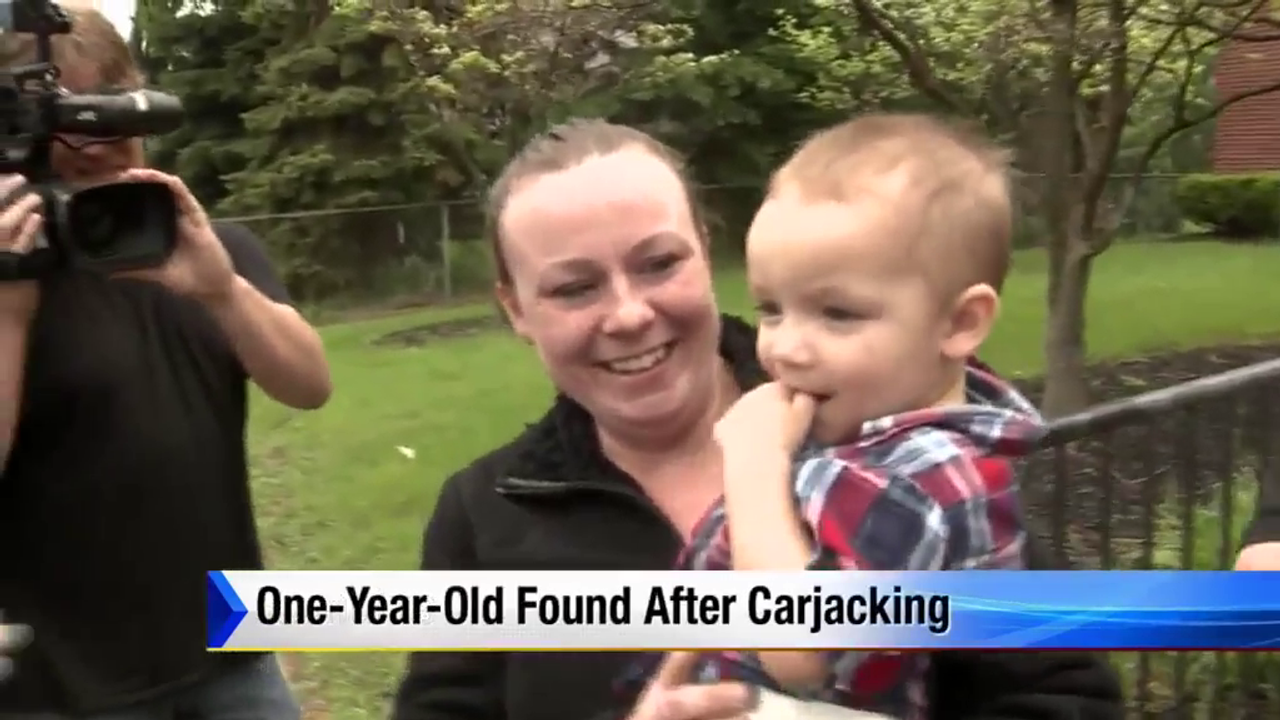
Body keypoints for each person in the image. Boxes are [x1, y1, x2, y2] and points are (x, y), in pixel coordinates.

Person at [390, 117, 1122, 720]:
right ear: (516, 309)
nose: (629, 314)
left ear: (707, 253)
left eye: (658, 263)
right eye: (574, 288)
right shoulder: (484, 514)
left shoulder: (881, 434)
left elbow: (1071, 697)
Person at [615, 115, 1045, 717]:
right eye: (771, 309)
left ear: (959, 323)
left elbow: (803, 649)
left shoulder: (922, 477)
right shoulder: (864, 439)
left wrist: (754, 463)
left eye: (838, 314)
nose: (785, 349)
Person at [0, 8, 330, 719]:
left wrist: (221, 290)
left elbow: (309, 385)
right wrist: (10, 308)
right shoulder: (8, 286)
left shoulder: (210, 248)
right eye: (64, 123)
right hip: (68, 686)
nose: (93, 148)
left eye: (107, 117)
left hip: (233, 650)